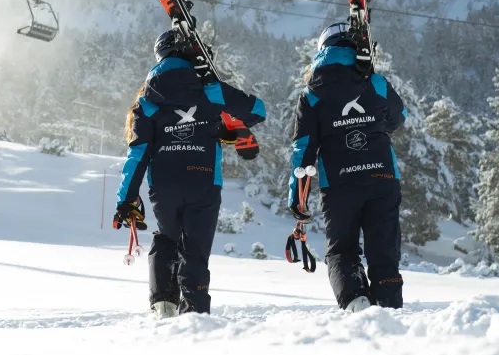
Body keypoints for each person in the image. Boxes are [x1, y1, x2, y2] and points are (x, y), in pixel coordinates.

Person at [113, 29, 266, 319]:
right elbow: (258, 111)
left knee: (167, 238)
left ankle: (163, 304)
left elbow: (138, 154)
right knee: (195, 250)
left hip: (164, 185)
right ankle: (194, 313)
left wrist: (126, 199)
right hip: (204, 180)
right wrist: (225, 124)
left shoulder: (147, 102)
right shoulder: (211, 91)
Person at [288, 22, 407, 311]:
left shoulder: (311, 95)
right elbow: (398, 117)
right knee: (384, 253)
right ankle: (390, 309)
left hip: (339, 185)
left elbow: (303, 150)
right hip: (382, 178)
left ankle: (356, 302)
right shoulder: (375, 83)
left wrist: (297, 198)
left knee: (341, 251)